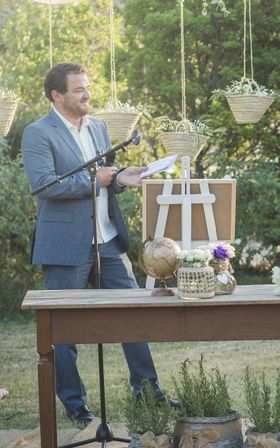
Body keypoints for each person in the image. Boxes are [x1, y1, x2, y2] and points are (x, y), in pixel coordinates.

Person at [22, 62, 168, 426]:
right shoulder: (38, 133)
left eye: (87, 87)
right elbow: (45, 186)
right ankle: (75, 405)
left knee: (134, 315)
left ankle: (148, 393)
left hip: (107, 240)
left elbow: (107, 180)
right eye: (78, 90)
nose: (87, 94)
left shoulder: (101, 127)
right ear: (57, 95)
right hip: (65, 245)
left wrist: (121, 178)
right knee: (64, 331)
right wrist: (97, 181)